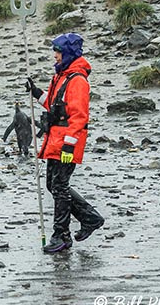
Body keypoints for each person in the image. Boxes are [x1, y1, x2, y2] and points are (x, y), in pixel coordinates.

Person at [25, 33, 104, 253]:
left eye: (58, 51)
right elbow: (52, 104)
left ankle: (61, 235)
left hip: (66, 142)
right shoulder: (62, 76)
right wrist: (36, 92)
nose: (55, 55)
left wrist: (69, 146)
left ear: (68, 53)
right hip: (56, 140)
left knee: (59, 186)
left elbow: (79, 116)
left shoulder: (77, 80)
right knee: (54, 184)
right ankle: (90, 218)